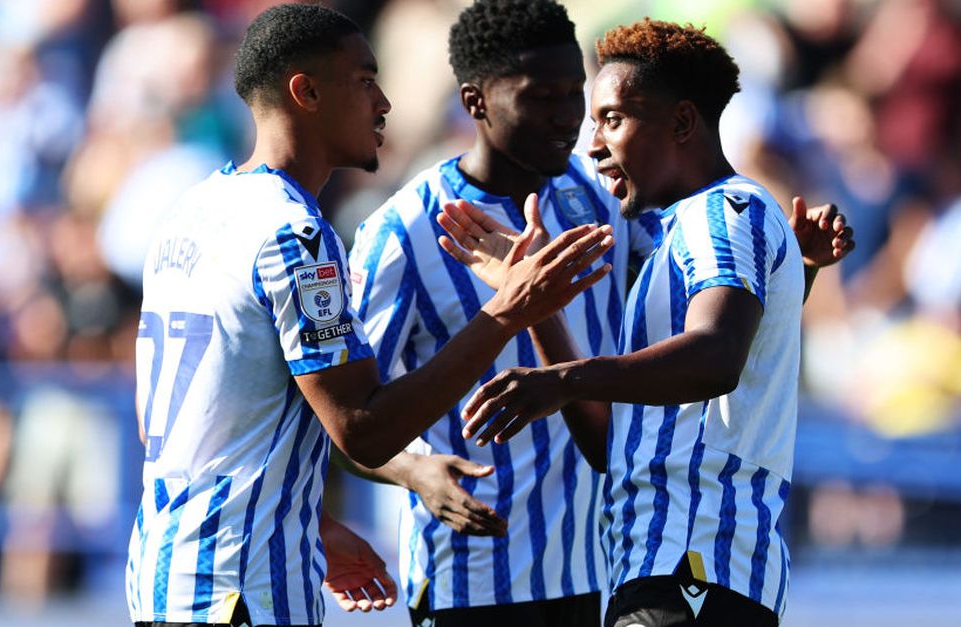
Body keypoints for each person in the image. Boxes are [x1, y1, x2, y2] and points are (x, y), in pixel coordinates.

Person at [346, 2, 852, 626]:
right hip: (477, 581)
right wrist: (414, 468)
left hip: (634, 566)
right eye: (544, 98)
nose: (569, 123)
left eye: (581, 101)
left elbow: (717, 346)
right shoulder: (404, 231)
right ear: (476, 101)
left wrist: (784, 275)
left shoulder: (619, 205)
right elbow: (348, 420)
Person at [123, 5, 614, 627]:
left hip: (167, 573)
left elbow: (165, 424)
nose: (383, 102)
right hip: (245, 589)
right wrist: (509, 309)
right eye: (363, 81)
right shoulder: (294, 233)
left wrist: (313, 524)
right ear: (305, 92)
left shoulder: (189, 213)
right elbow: (361, 428)